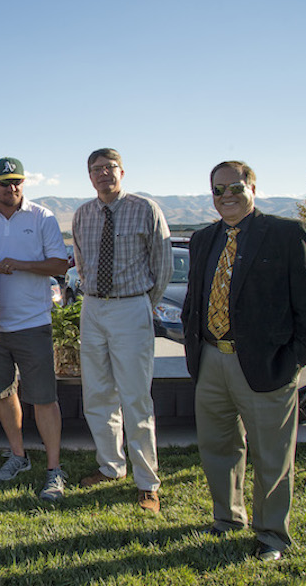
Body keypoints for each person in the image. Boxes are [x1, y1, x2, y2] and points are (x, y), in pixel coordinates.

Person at [182, 161, 306, 561]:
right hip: (211, 360)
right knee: (217, 447)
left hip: (267, 365)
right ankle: (227, 518)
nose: (226, 195)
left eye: (234, 187)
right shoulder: (203, 238)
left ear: (253, 188)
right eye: (218, 189)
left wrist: (297, 359)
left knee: (271, 455)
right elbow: (194, 299)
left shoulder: (284, 234)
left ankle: (272, 535)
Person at [0, 157, 69, 500]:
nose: (12, 188)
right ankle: (18, 455)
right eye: (5, 182)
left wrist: (19, 265)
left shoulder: (42, 217)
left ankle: (54, 469)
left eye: (17, 181)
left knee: (43, 398)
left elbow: (60, 264)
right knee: (4, 394)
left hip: (32, 322)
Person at [72, 148, 172, 513]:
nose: (103, 174)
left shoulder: (146, 209)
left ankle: (147, 482)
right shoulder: (83, 214)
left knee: (135, 398)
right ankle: (111, 467)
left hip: (132, 306)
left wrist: (139, 302)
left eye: (109, 168)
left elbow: (161, 268)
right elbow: (81, 263)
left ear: (122, 171)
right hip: (94, 307)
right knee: (97, 393)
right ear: (90, 176)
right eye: (96, 170)